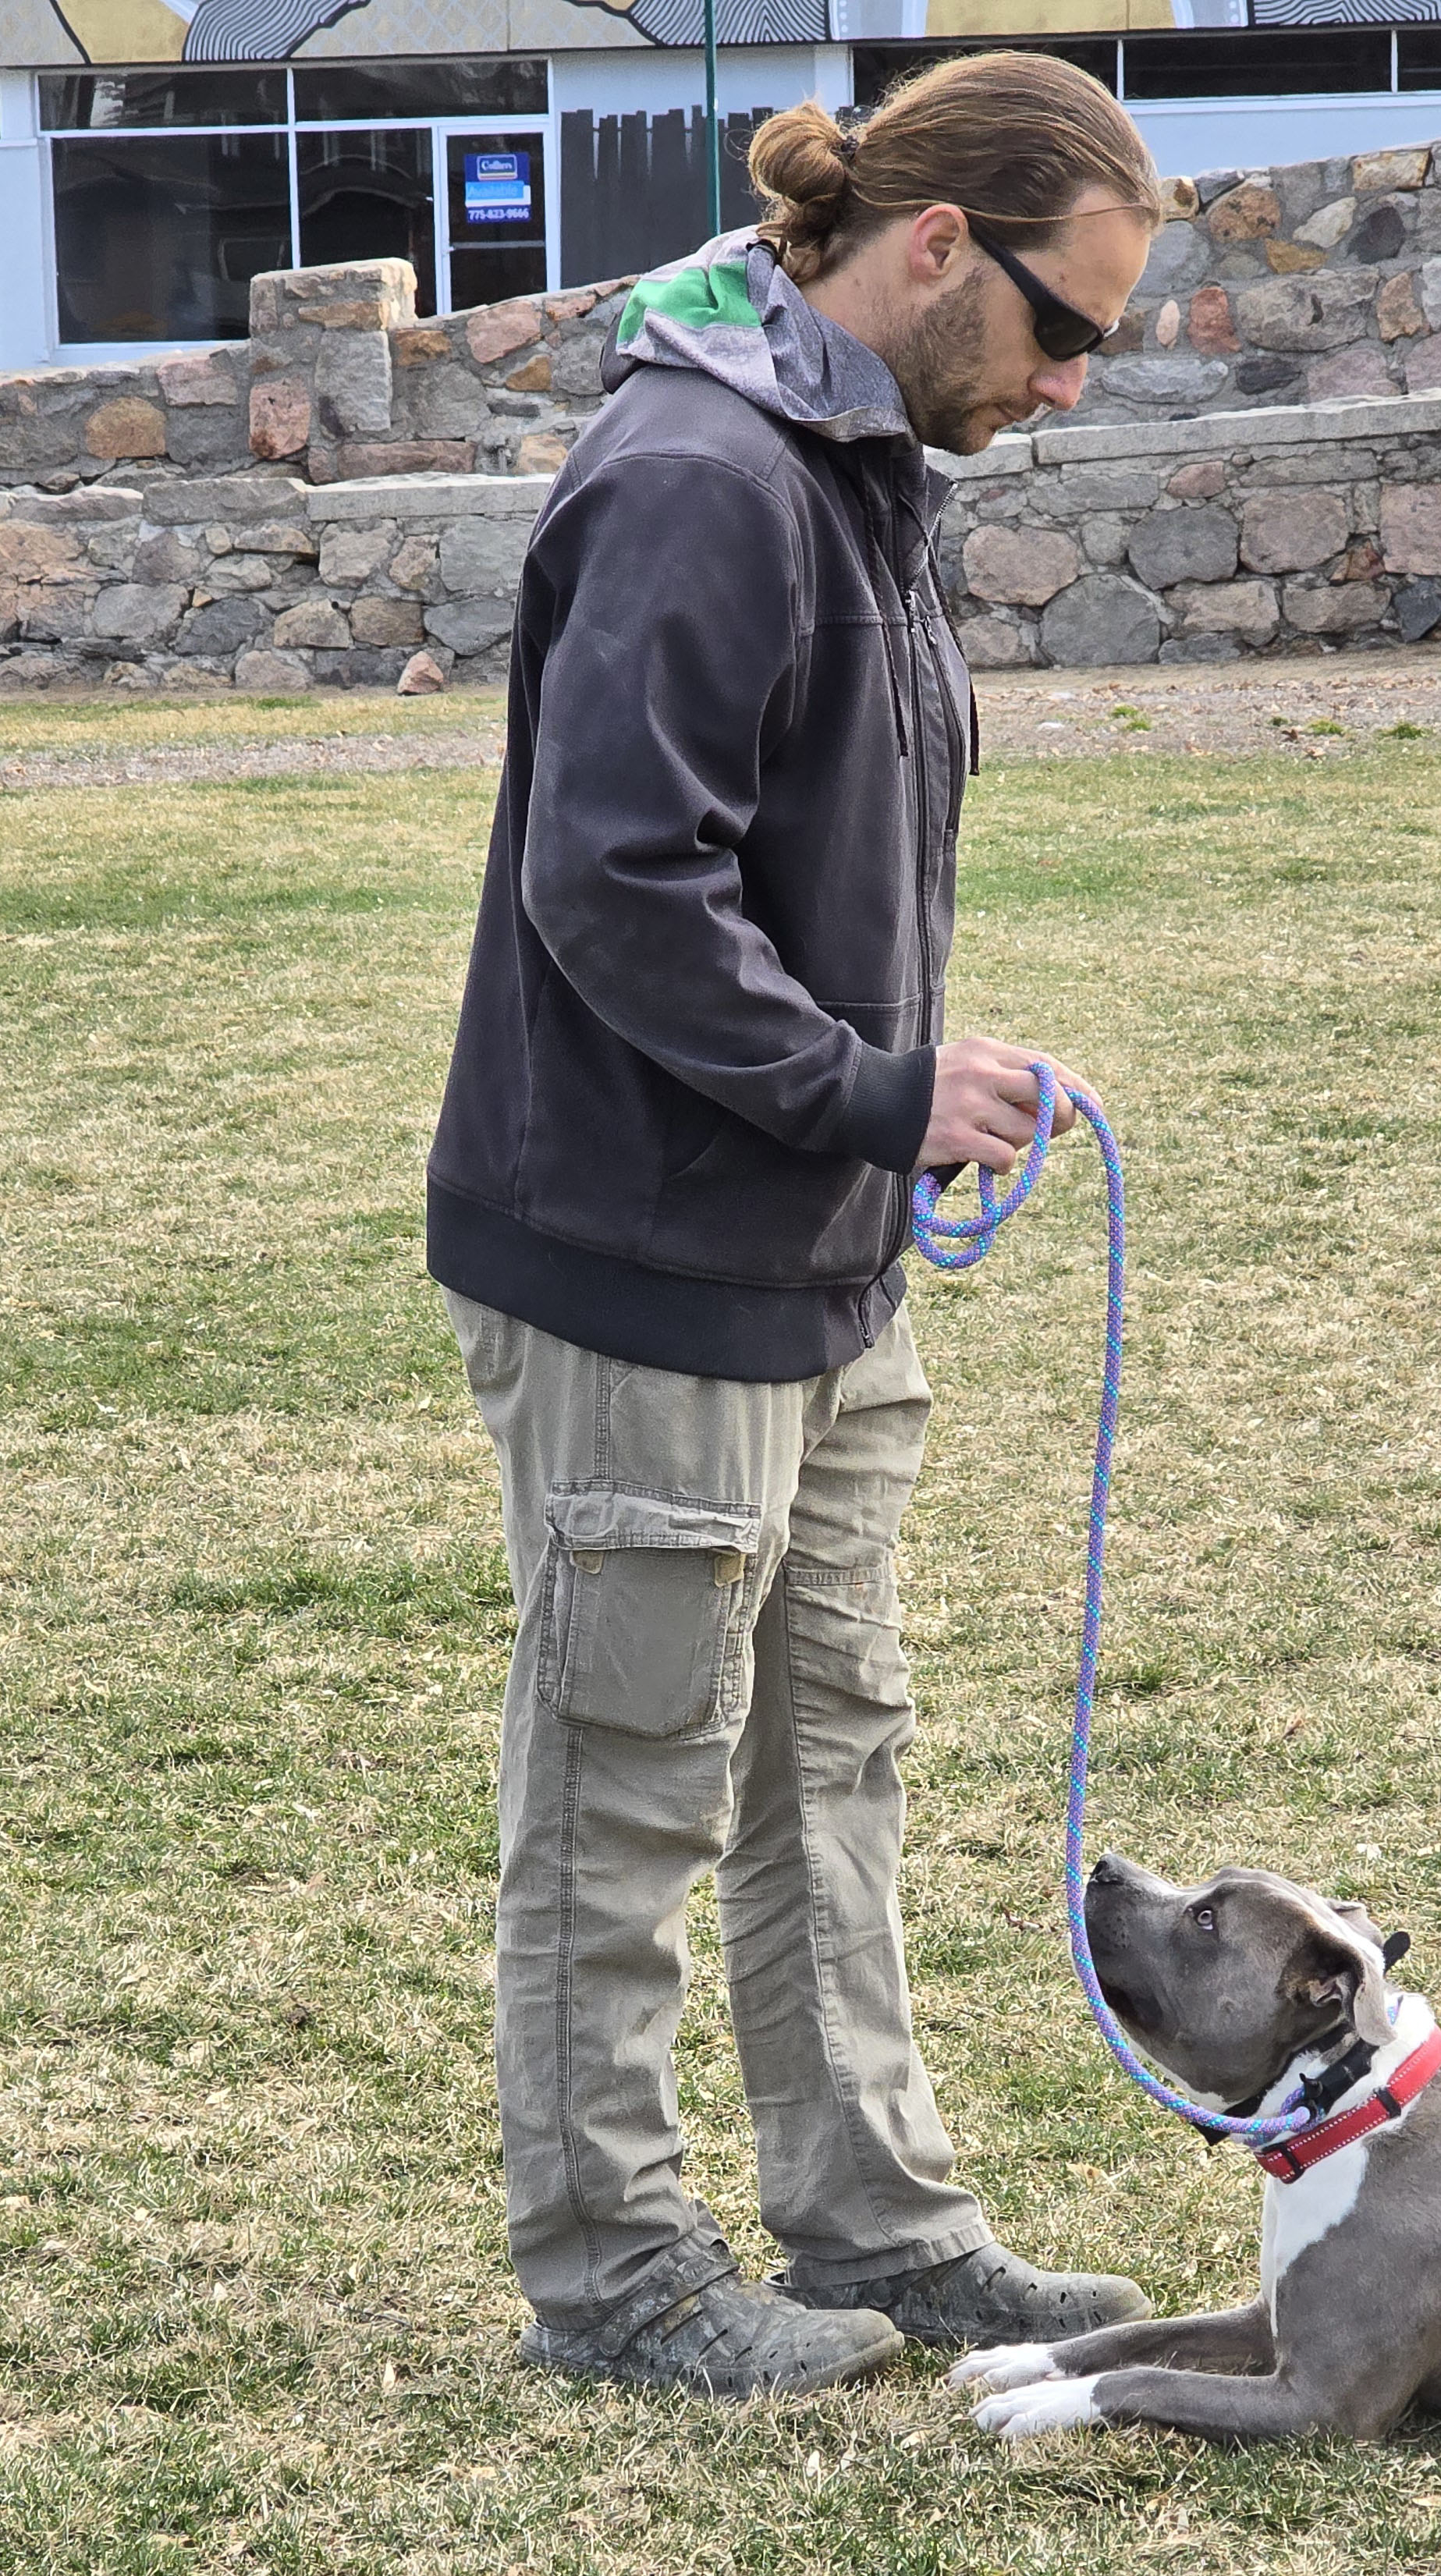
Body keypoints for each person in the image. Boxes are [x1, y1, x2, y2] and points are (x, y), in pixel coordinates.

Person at [426, 51, 1162, 2397]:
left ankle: (880, 2221)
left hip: (821, 1252)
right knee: (629, 1768)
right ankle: (614, 2276)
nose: (1070, 386)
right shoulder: (701, 474)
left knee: (828, 1746)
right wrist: (870, 1086)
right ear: (937, 245)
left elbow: (792, 860)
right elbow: (615, 888)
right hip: (645, 1253)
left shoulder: (857, 464)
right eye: (1066, 327)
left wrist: (907, 1088)